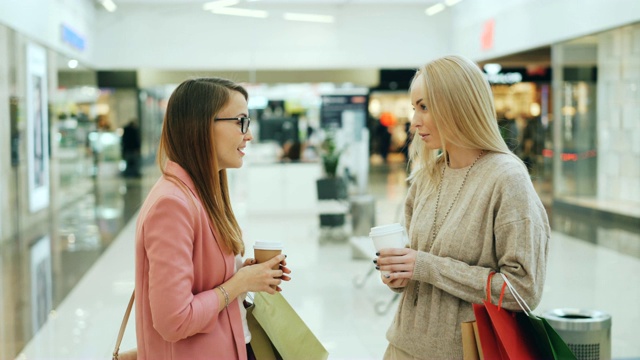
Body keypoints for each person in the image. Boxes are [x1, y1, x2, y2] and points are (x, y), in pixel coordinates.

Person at [374, 55, 549, 359]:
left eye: (424, 107)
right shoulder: (426, 178)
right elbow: (414, 265)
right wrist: (397, 275)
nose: (415, 121)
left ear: (458, 105)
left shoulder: (506, 178)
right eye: (414, 108)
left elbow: (523, 290)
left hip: (467, 351)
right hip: (402, 346)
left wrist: (426, 266)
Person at [134, 77, 291, 360]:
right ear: (202, 125)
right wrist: (239, 283)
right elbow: (174, 320)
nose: (249, 135)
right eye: (240, 121)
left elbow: (200, 280)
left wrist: (247, 272)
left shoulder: (201, 193)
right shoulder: (172, 204)